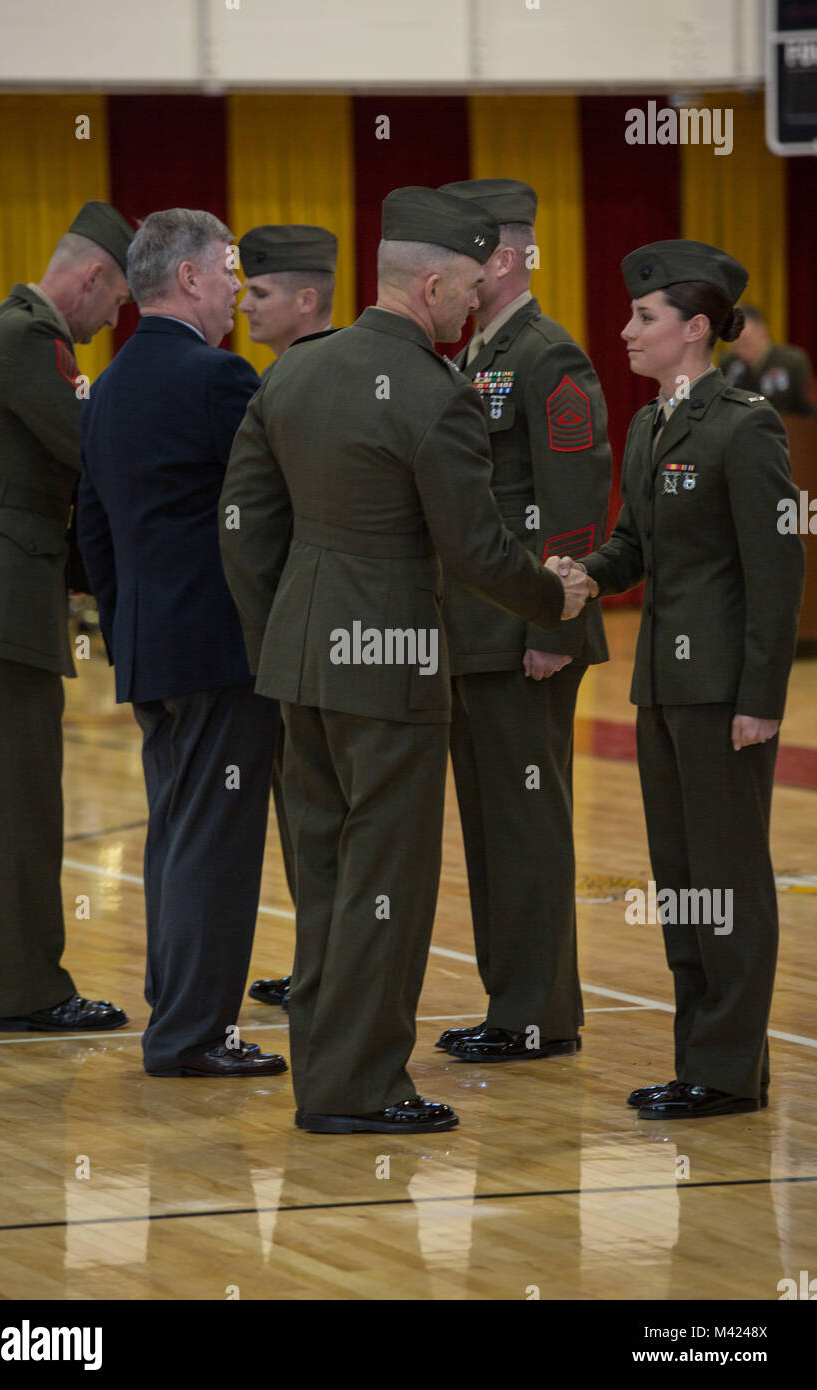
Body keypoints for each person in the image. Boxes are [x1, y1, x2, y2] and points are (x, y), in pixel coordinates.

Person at [219, 185, 596, 1135]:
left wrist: (282, 638)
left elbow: (244, 530)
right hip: (390, 672)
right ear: (429, 284)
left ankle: (328, 1077)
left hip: (302, 666)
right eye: (469, 285)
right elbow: (476, 551)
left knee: (327, 879)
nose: (476, 301)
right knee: (387, 882)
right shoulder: (434, 394)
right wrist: (557, 596)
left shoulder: (293, 375)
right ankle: (365, 1089)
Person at [576, 239, 804, 1118]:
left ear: (695, 330)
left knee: (728, 876)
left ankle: (725, 1071)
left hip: (720, 693)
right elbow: (635, 545)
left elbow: (776, 571)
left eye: (644, 317)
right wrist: (585, 576)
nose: (625, 330)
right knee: (681, 876)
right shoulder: (648, 424)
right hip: (661, 690)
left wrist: (761, 699)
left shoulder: (746, 426)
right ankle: (708, 1061)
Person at [76, 209, 286, 1079]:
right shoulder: (217, 378)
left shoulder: (113, 380)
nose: (239, 287)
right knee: (215, 846)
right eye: (230, 271)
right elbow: (270, 511)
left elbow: (91, 528)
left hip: (152, 648)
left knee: (176, 834)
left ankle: (179, 1014)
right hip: (219, 649)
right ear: (191, 279)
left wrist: (132, 627)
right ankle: (193, 1034)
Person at [432, 177, 611, 1064]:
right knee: (494, 824)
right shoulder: (479, 356)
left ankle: (537, 1013)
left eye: (464, 253)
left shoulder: (546, 354)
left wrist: (554, 626)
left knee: (527, 826)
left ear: (499, 258)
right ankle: (514, 1005)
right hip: (478, 631)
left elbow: (574, 505)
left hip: (523, 636)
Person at [0, 201, 132, 1034]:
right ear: (91, 277)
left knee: (14, 803)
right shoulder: (31, 340)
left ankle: (23, 982)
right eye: (117, 300)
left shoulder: (11, 332)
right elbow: (96, 448)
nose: (112, 319)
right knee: (22, 804)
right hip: (2, 601)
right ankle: (28, 992)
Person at [237, 224, 340, 1014]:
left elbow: (263, 530)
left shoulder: (310, 380)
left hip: (310, 639)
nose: (245, 304)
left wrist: (271, 632)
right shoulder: (289, 379)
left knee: (323, 816)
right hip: (302, 638)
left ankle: (330, 971)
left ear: (307, 298)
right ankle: (319, 964)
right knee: (309, 817)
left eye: (262, 292)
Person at [720, 305, 817, 415]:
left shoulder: (793, 362)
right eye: (735, 344)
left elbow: (810, 411)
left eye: (746, 341)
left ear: (762, 331)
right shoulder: (728, 363)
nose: (740, 350)